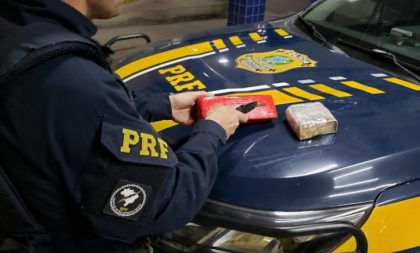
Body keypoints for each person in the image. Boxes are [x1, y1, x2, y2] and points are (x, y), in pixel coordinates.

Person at [0, 0, 248, 252]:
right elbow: (163, 205)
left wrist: (161, 106)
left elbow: (56, 115)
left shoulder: (19, 33)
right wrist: (213, 130)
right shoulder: (69, 74)